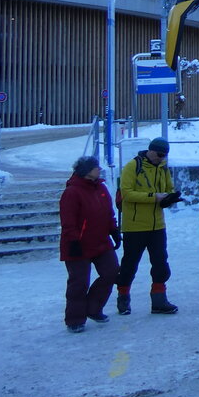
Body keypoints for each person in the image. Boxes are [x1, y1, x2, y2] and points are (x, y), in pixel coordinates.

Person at [116, 137, 182, 315]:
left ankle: (159, 301)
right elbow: (127, 194)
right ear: (150, 150)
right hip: (135, 226)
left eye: (165, 155)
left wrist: (170, 197)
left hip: (157, 226)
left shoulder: (163, 168)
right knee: (130, 264)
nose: (162, 158)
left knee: (161, 263)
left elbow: (168, 188)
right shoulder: (133, 166)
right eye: (159, 154)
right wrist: (154, 197)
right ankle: (123, 298)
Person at [59, 156, 121, 333]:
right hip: (77, 245)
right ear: (86, 171)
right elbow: (68, 221)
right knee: (79, 283)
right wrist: (73, 242)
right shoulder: (72, 192)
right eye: (95, 167)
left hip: (101, 241)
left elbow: (108, 213)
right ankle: (75, 319)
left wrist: (114, 231)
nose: (99, 169)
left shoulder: (100, 188)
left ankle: (93, 309)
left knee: (111, 272)